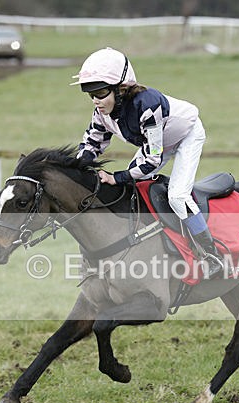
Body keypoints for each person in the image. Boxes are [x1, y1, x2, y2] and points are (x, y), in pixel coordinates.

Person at [71, 47, 223, 277]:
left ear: (121, 89)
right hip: (158, 143)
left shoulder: (147, 104)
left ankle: (212, 255)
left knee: (178, 197)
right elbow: (92, 144)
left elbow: (152, 159)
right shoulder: (101, 112)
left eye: (100, 92)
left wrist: (116, 177)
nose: (95, 101)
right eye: (90, 94)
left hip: (186, 136)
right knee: (132, 189)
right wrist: (74, 169)